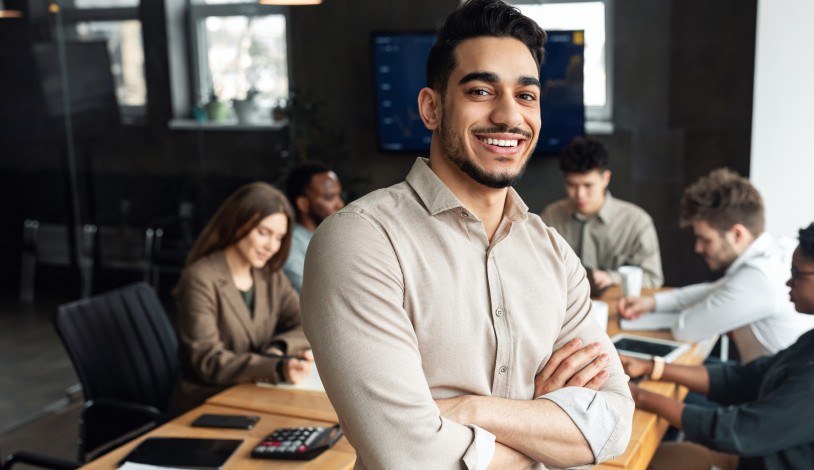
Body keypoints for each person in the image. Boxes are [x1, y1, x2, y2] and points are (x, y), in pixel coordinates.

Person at [302, 1, 633, 468]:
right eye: (481, 90)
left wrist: (468, 411)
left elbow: (613, 425)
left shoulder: (554, 254)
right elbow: (410, 457)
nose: (508, 116)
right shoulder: (361, 241)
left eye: (526, 95)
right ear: (432, 107)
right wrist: (543, 424)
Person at [621, 220, 814, 470]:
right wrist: (653, 368)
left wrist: (642, 397)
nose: (789, 282)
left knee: (637, 459)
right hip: (772, 453)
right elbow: (752, 377)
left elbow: (739, 433)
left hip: (766, 455)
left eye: (797, 274)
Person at [619, 168, 814, 363]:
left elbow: (686, 330)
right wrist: (653, 303)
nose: (698, 248)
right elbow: (717, 290)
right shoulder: (775, 252)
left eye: (706, 240)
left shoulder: (760, 277)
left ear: (737, 234)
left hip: (766, 392)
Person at [169, 182, 313, 415]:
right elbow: (208, 361)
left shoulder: (270, 275)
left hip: (256, 394)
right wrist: (275, 367)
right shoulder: (200, 277)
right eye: (263, 233)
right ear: (237, 223)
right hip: (206, 403)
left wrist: (278, 348)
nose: (271, 246)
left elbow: (309, 322)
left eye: (279, 237)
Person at [541, 136, 664, 290]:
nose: (580, 194)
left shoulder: (637, 222)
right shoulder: (551, 217)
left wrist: (611, 277)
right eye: (572, 185)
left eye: (588, 185)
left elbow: (652, 278)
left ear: (606, 178)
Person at [283, 162, 345, 291]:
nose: (340, 204)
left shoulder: (336, 237)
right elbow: (315, 294)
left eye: (339, 195)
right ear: (303, 204)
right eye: (330, 197)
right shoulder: (290, 245)